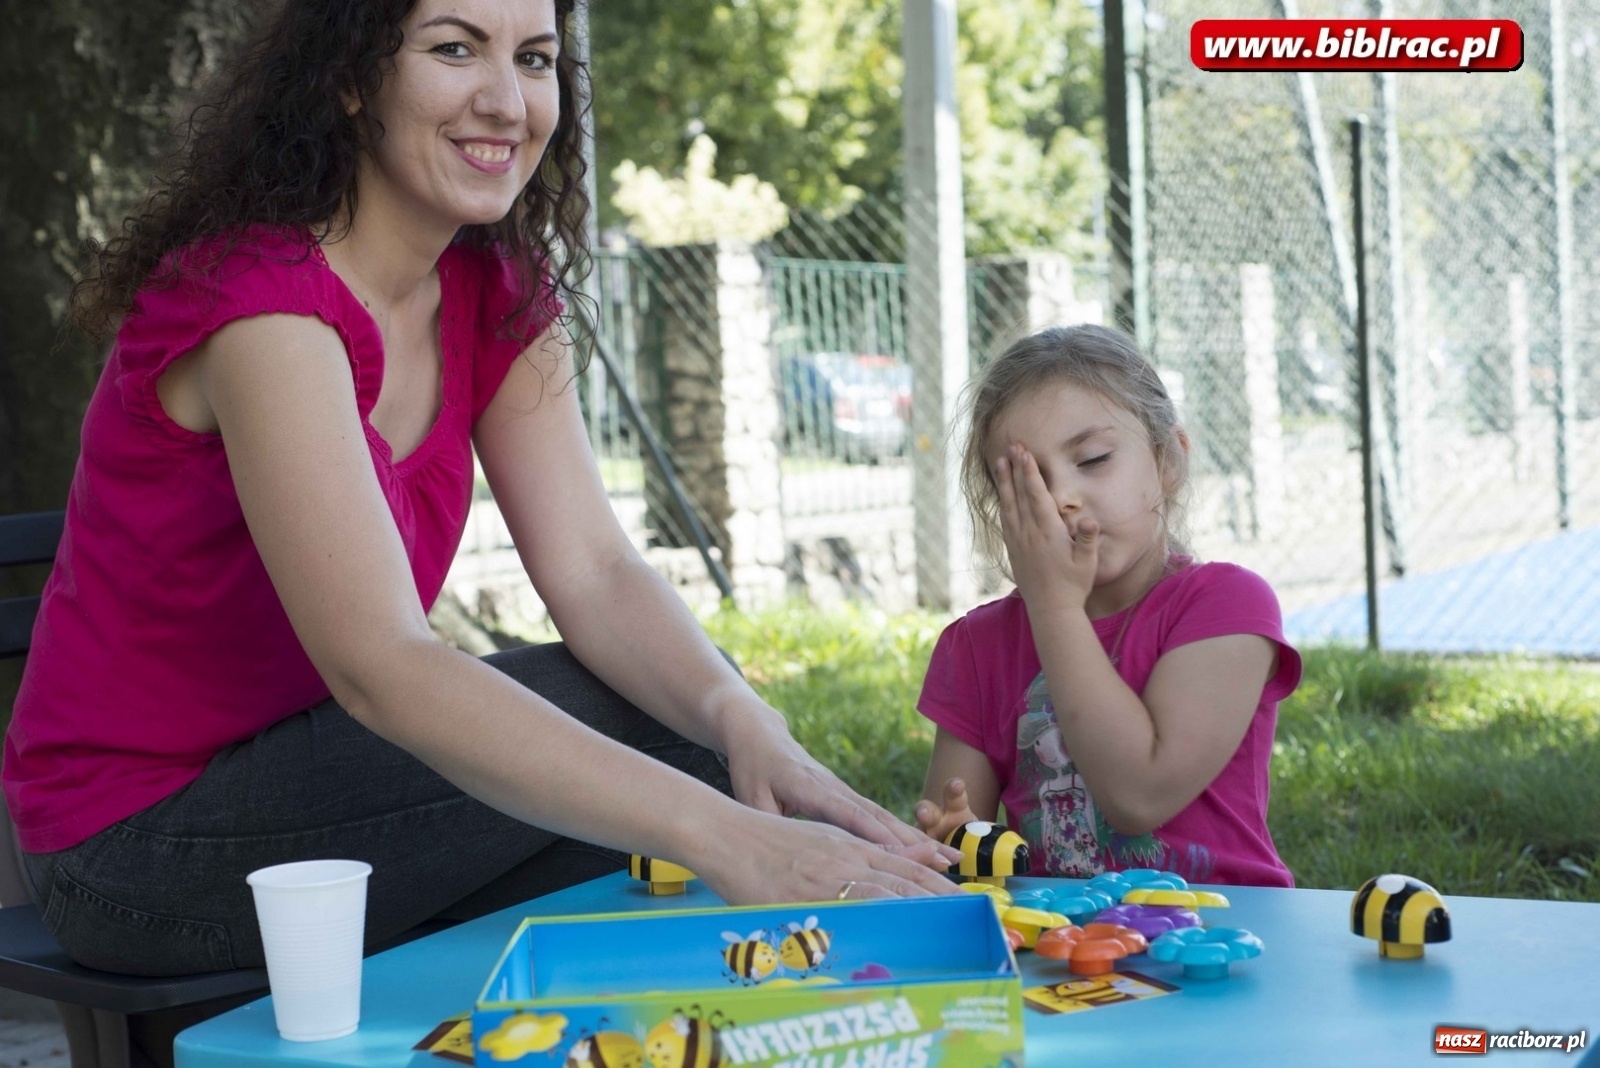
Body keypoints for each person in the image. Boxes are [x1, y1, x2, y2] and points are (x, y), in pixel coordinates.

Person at [2, 0, 957, 978]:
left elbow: (594, 573)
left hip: (323, 772)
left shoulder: (495, 287)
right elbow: (383, 665)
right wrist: (728, 833)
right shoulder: (263, 305)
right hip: (136, 844)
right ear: (351, 74)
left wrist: (751, 724)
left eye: (534, 59)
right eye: (455, 48)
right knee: (679, 785)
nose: (507, 101)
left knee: (698, 741)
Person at [913, 324, 1302, 886]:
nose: (1060, 499)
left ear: (1169, 461)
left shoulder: (1226, 607)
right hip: (1055, 932)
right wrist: (953, 850)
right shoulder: (976, 647)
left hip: (1219, 924)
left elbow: (1140, 795)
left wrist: (1055, 608)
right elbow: (956, 838)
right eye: (1025, 483)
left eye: (1093, 459)